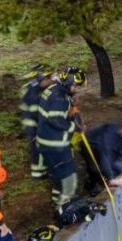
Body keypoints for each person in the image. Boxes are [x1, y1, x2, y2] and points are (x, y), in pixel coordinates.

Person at [37, 66, 84, 213]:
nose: (77, 89)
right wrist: (74, 127)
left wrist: (71, 104)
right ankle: (65, 208)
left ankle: (58, 201)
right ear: (69, 84)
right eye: (76, 86)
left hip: (45, 141)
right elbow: (56, 120)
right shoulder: (60, 98)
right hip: (56, 145)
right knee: (68, 176)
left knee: (57, 174)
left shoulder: (53, 89)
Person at [19, 64, 53, 179]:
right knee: (38, 150)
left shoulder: (30, 86)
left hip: (32, 123)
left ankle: (41, 170)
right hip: (34, 126)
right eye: (48, 79)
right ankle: (38, 174)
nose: (50, 81)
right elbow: (37, 113)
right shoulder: (34, 94)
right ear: (40, 79)